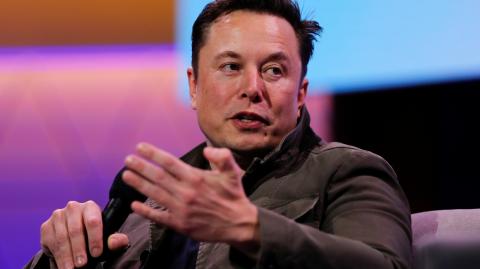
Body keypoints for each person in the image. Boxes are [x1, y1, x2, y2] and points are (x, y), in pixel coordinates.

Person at [25, 0, 412, 268]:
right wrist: (59, 252)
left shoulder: (349, 172)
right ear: (193, 86)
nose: (253, 88)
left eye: (274, 71)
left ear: (301, 95)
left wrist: (252, 228)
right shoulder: (150, 194)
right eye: (230, 66)